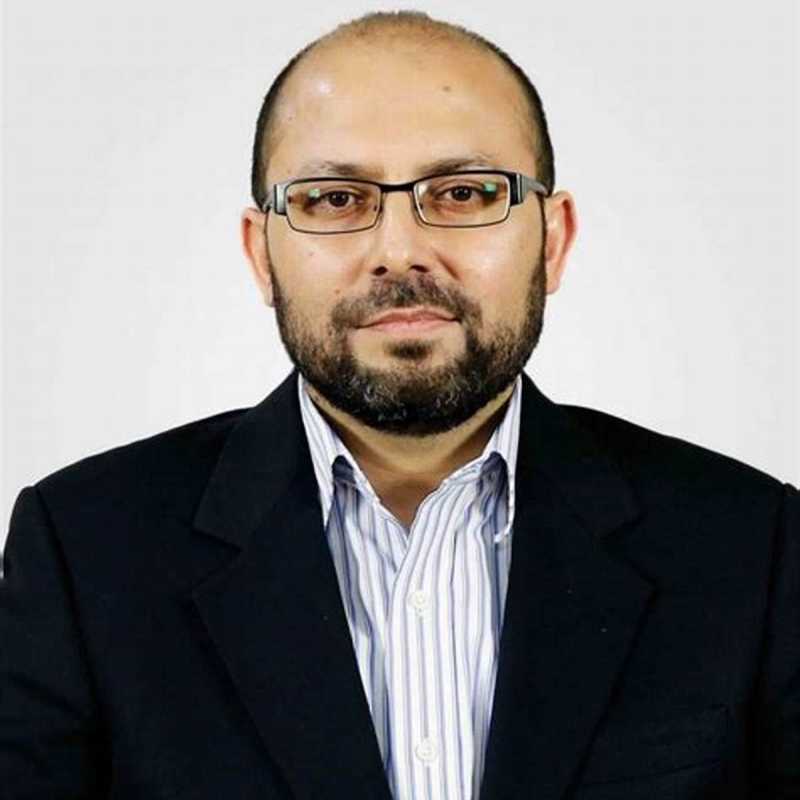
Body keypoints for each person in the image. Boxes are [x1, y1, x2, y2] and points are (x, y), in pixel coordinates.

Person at [1, 9, 797, 799]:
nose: (400, 250)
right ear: (262, 255)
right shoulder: (84, 551)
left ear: (553, 241)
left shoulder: (752, 547)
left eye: (464, 192)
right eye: (334, 199)